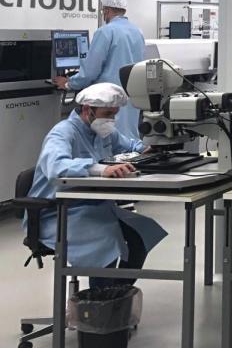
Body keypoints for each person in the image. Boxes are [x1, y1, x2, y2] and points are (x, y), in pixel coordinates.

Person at [26, 83, 167, 288]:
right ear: (87, 110)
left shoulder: (103, 131)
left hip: (94, 207)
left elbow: (130, 145)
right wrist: (99, 169)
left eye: (114, 114)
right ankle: (97, 308)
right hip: (58, 212)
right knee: (105, 242)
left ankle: (115, 295)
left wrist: (150, 148)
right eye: (107, 113)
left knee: (140, 235)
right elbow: (55, 166)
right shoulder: (63, 132)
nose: (111, 120)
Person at [53, 0, 145, 140]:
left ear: (107, 11)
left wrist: (68, 83)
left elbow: (90, 71)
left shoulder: (105, 31)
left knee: (110, 138)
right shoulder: (137, 32)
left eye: (103, 11)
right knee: (128, 137)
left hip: (107, 97)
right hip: (130, 94)